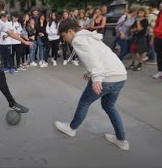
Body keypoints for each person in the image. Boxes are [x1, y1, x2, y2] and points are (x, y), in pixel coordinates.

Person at [55, 19, 130, 151]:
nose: (65, 39)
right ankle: (121, 140)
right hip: (120, 76)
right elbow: (100, 56)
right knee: (109, 106)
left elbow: (92, 58)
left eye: (64, 36)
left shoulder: (78, 39)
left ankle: (71, 128)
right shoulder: (89, 36)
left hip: (106, 77)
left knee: (84, 102)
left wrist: (96, 77)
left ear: (70, 31)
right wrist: (90, 73)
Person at [153, 2, 162, 79]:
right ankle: (161, 71)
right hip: (158, 36)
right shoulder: (160, 13)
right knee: (159, 55)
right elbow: (157, 24)